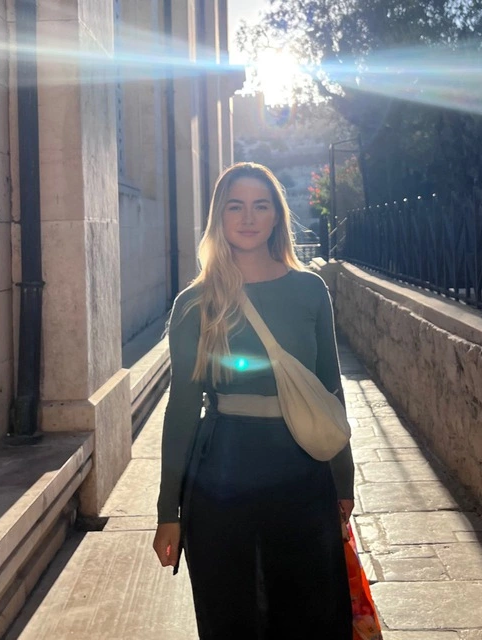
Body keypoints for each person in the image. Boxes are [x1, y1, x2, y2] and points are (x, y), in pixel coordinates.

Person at [152, 162, 355, 639]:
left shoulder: (309, 290)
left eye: (260, 206)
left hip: (302, 470)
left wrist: (342, 481)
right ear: (218, 217)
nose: (248, 218)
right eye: (235, 207)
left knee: (311, 616)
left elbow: (330, 389)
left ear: (276, 215)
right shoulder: (195, 303)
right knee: (231, 616)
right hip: (220, 475)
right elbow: (182, 409)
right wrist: (167, 512)